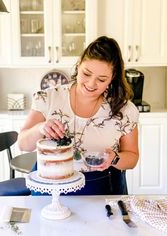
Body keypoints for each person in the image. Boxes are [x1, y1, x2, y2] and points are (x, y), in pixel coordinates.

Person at [17, 36, 139, 195]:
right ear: (78, 65)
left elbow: (132, 158)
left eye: (101, 79)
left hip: (101, 186)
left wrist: (114, 159)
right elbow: (22, 145)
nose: (91, 84)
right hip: (50, 185)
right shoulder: (48, 98)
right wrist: (40, 128)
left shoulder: (124, 110)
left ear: (112, 78)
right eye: (86, 74)